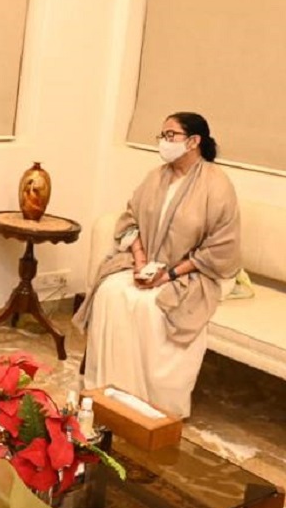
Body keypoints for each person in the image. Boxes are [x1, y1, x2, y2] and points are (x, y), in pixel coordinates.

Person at [74, 112, 240, 418]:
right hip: (149, 262)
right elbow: (130, 218)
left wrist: (170, 274)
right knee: (112, 291)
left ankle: (154, 404)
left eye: (170, 136)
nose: (164, 143)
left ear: (193, 142)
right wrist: (139, 261)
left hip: (195, 270)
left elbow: (221, 248)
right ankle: (108, 390)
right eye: (161, 136)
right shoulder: (157, 176)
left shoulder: (217, 185)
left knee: (153, 307)